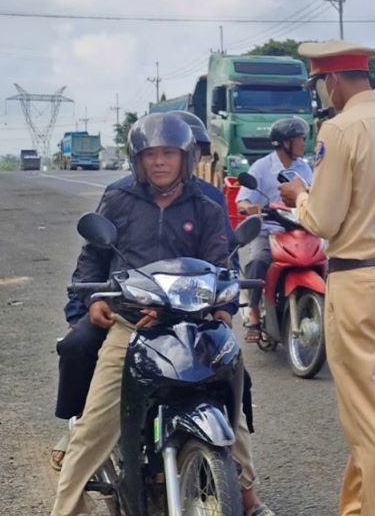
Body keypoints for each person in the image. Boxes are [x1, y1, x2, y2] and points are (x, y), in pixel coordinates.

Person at [50, 113, 272, 516]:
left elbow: (223, 260)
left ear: (185, 157)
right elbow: (92, 259)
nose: (159, 162)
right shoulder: (118, 198)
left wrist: (224, 310)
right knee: (97, 422)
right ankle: (64, 507)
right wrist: (93, 302)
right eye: (150, 154)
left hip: (194, 320)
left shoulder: (208, 200)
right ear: (138, 160)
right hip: (134, 321)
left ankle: (247, 493)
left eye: (168, 153)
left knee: (230, 400)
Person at [275, 41, 375, 516]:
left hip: (357, 280)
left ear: (331, 81)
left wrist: (299, 195)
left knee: (371, 422)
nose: (322, 94)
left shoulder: (337, 130)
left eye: (320, 84)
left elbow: (323, 219)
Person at [237, 116, 314, 341]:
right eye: (300, 139)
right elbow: (242, 200)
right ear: (285, 143)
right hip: (268, 229)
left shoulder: (305, 168)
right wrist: (248, 207)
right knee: (260, 260)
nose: (304, 143)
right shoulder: (262, 167)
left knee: (325, 262)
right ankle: (253, 314)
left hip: (299, 228)